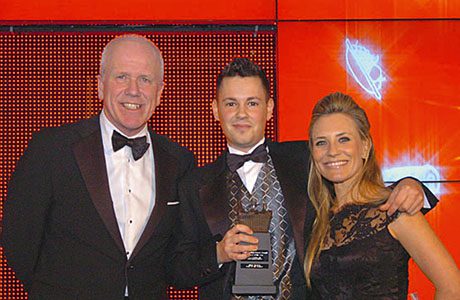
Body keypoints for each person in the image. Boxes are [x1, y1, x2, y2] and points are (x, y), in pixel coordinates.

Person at [171, 58, 437, 299]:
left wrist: (411, 184)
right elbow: (177, 271)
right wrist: (219, 253)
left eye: (252, 103)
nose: (242, 114)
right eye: (231, 104)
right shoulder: (194, 184)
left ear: (269, 108)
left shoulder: (307, 158)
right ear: (216, 110)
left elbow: (356, 182)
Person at [2, 35, 194, 299]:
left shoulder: (180, 161)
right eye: (122, 77)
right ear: (100, 86)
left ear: (160, 93)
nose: (134, 90)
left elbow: (176, 254)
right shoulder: (51, 149)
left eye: (145, 79)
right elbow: (18, 238)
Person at [304, 92, 460, 298]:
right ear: (312, 153)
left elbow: (452, 287)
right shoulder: (316, 219)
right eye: (321, 142)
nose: (332, 151)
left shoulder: (395, 208)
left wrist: (411, 183)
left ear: (365, 146)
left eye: (343, 139)